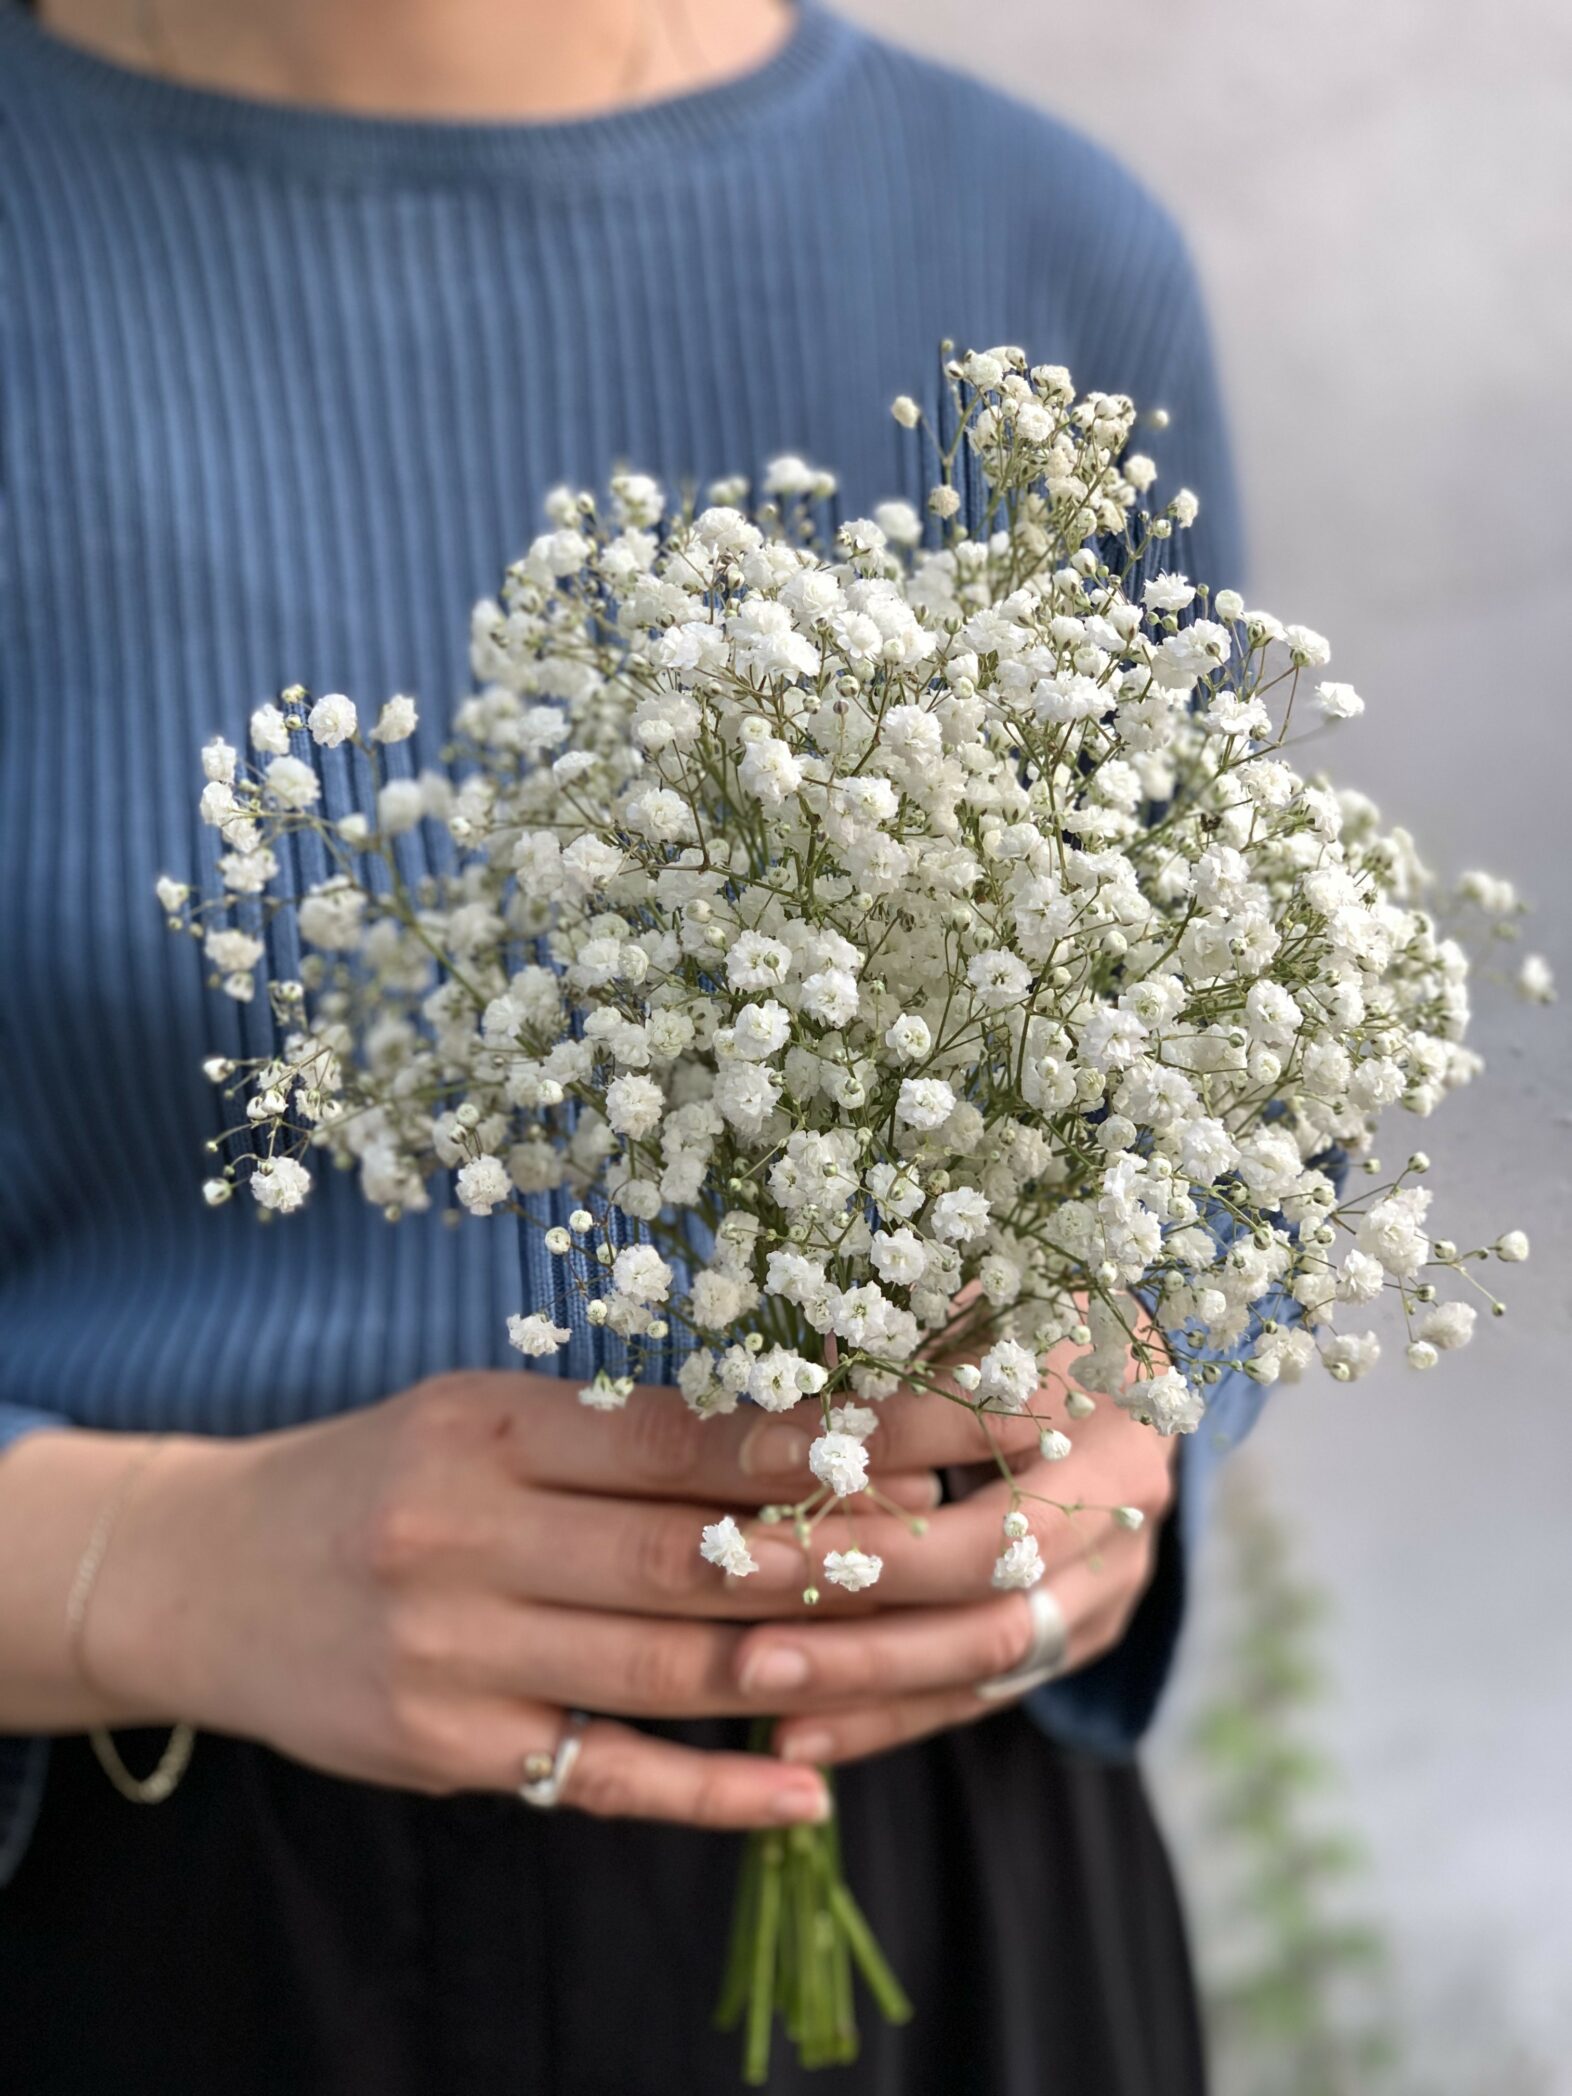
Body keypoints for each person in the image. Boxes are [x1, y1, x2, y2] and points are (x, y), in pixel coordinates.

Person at [0, 2, 1253, 2089]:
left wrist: (1119, 1432)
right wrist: (145, 1560)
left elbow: (1208, 1111)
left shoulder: (1028, 236)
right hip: (149, 1885)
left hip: (937, 1877)